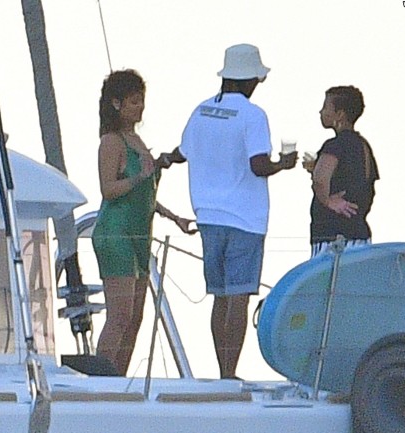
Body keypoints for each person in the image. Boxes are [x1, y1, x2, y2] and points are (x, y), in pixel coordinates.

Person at [158, 44, 298, 379]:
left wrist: (164, 159)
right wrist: (284, 164)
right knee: (239, 297)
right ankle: (229, 372)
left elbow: (182, 152)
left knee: (219, 297)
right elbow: (258, 165)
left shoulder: (201, 110)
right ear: (247, 79)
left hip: (207, 216)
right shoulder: (253, 115)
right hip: (245, 218)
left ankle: (223, 369)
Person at [92, 69, 196, 376]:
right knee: (120, 315)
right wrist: (140, 176)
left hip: (140, 233)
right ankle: (100, 378)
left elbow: (145, 195)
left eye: (141, 101)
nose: (140, 107)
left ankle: (117, 376)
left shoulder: (135, 140)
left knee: (135, 318)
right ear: (117, 104)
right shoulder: (111, 142)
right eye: (134, 101)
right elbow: (109, 189)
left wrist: (174, 217)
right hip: (116, 233)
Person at [304, 86, 379, 257]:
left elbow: (320, 179)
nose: (321, 112)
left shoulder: (334, 145)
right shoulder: (363, 146)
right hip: (358, 235)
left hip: (332, 238)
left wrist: (327, 201)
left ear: (340, 114)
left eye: (326, 107)